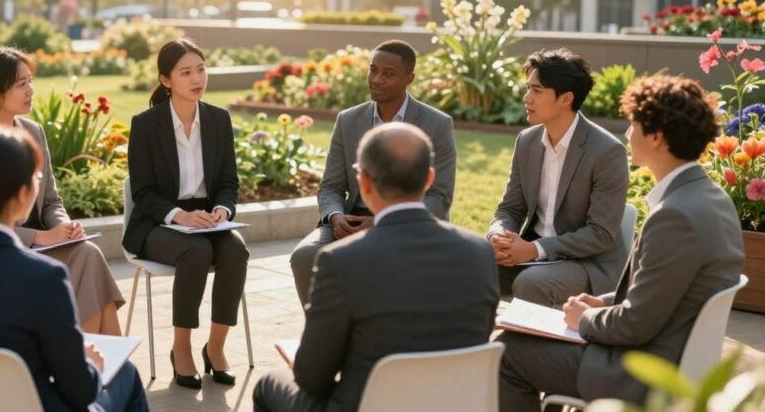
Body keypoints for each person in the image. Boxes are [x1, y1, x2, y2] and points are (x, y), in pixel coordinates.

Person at [498, 75, 745, 411]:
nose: (628, 134)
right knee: (524, 341)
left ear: (656, 137)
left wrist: (582, 320)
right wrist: (602, 302)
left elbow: (634, 324)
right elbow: (660, 293)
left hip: (640, 371)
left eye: (633, 125)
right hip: (665, 352)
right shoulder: (712, 197)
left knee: (506, 351)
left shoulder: (675, 216)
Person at [254, 123, 498, 412]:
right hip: (454, 404)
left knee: (269, 384)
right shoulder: (479, 252)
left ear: (364, 183)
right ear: (429, 179)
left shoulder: (340, 261)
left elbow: (311, 379)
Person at [0, 127, 149, 412]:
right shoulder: (43, 278)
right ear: (22, 195)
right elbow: (80, 392)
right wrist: (89, 364)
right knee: (125, 374)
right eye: (36, 177)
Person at [0, 47, 124, 334]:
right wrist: (40, 236)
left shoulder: (34, 131)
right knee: (89, 268)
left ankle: (94, 362)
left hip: (45, 247)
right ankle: (96, 363)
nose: (30, 90)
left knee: (87, 252)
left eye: (31, 81)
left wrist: (64, 227)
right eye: (21, 84)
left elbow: (51, 200)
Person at [289, 39, 456, 307]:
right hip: (351, 220)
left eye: (388, 74)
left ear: (409, 78)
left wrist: (383, 222)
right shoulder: (348, 120)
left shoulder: (437, 124)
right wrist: (335, 217)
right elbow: (330, 186)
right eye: (373, 70)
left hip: (409, 222)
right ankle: (324, 337)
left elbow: (440, 196)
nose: (376, 79)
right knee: (305, 256)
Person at [125, 39, 249, 390]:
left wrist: (222, 210)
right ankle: (181, 349)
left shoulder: (218, 119)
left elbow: (228, 181)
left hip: (208, 219)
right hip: (158, 222)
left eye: (201, 69)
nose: (197, 79)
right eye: (186, 72)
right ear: (166, 80)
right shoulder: (146, 124)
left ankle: (216, 347)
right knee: (196, 251)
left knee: (236, 250)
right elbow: (143, 193)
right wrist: (180, 216)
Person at [488, 49, 629, 307]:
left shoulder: (607, 151)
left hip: (586, 263)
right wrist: (499, 236)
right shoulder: (527, 141)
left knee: (529, 283)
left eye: (537, 90)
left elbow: (600, 234)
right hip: (532, 252)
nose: (526, 98)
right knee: (469, 264)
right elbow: (510, 207)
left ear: (566, 99)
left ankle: (524, 347)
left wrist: (534, 250)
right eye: (528, 88)